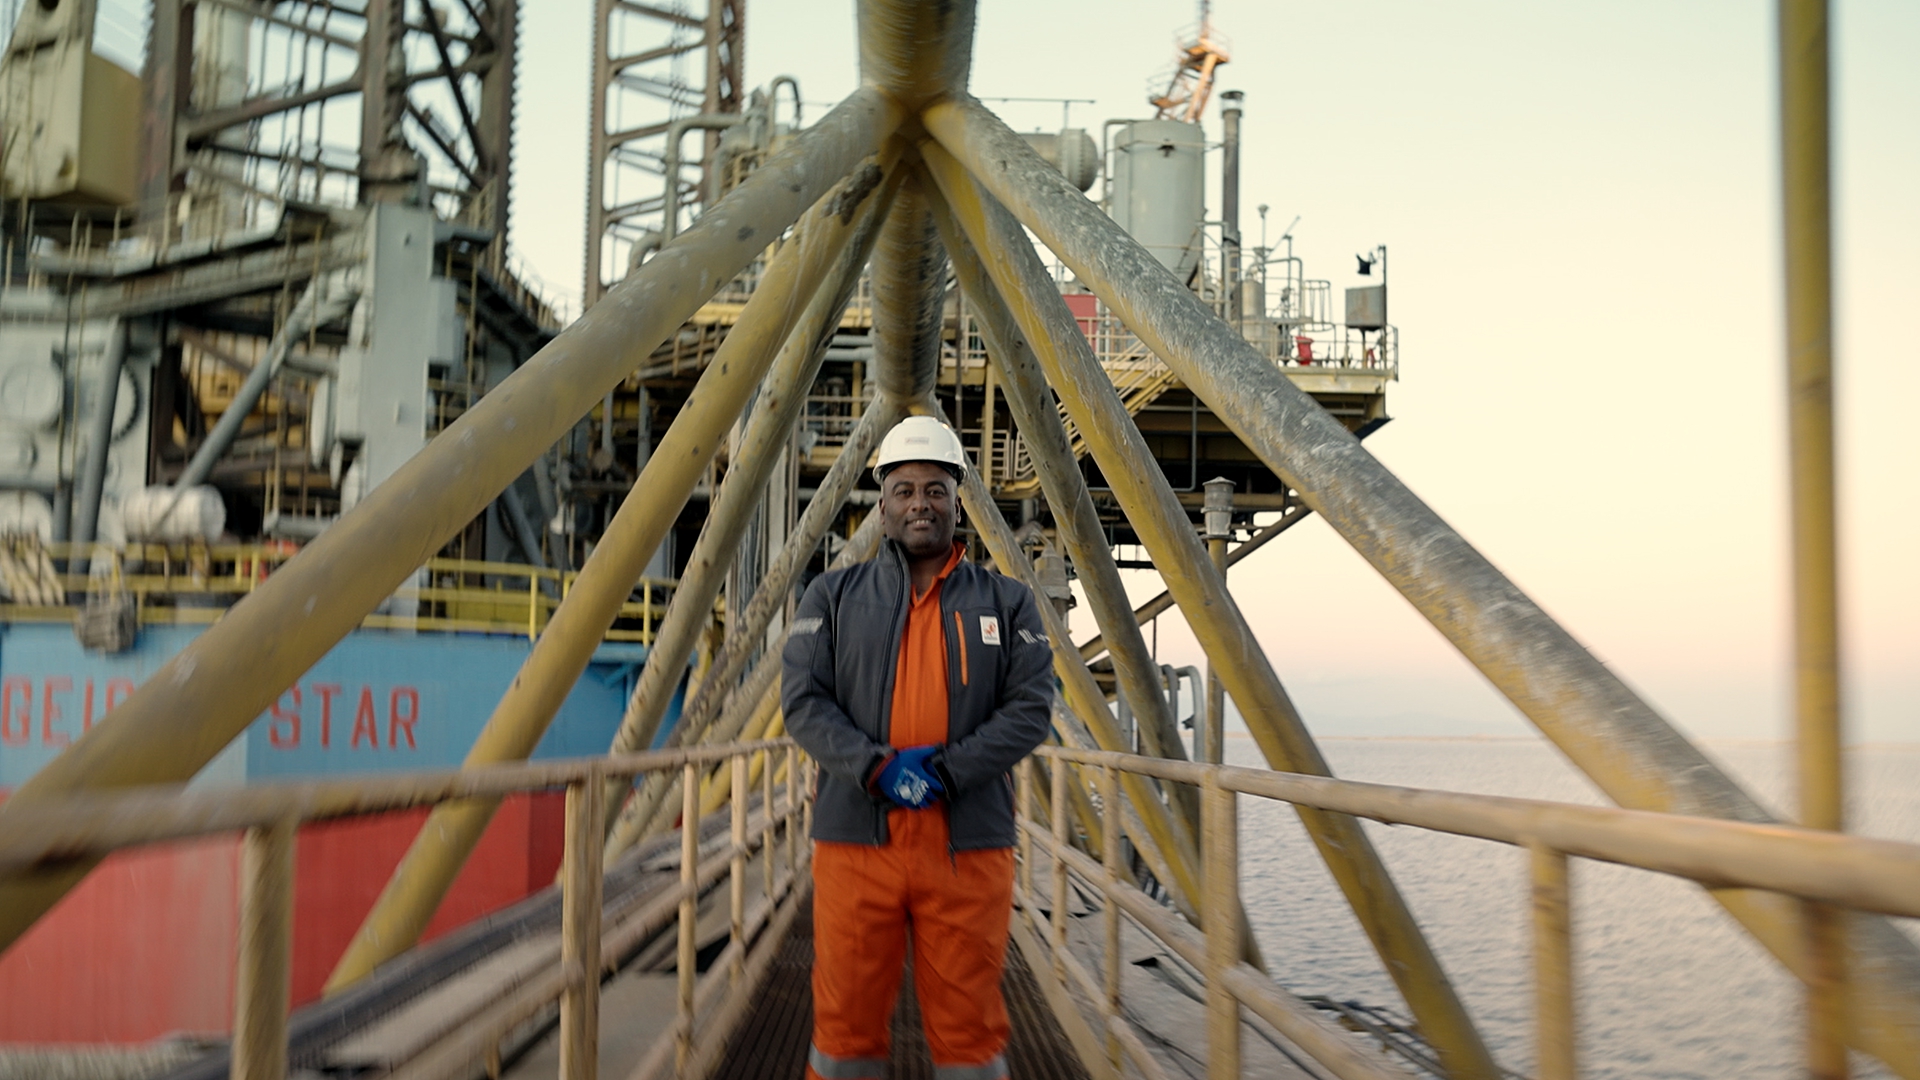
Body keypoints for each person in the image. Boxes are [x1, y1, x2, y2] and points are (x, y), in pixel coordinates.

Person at [783, 415, 1054, 1080]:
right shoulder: (832, 596)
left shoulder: (1009, 602)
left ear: (958, 502)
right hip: (857, 841)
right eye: (904, 490)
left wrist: (947, 773)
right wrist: (876, 767)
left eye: (935, 490)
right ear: (882, 506)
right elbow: (804, 703)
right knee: (844, 1029)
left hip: (966, 844)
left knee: (970, 1032)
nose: (920, 504)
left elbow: (1031, 710)